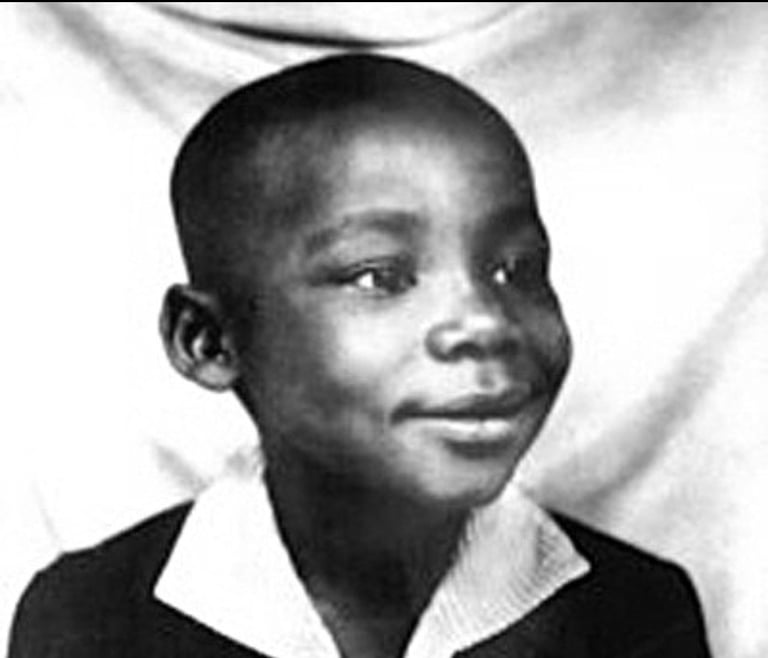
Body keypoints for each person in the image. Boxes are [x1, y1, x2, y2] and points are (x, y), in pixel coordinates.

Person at [8, 54, 711, 658]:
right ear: (208, 341)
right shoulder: (88, 620)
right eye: (380, 276)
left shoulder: (632, 613)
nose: (484, 323)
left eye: (514, 267)